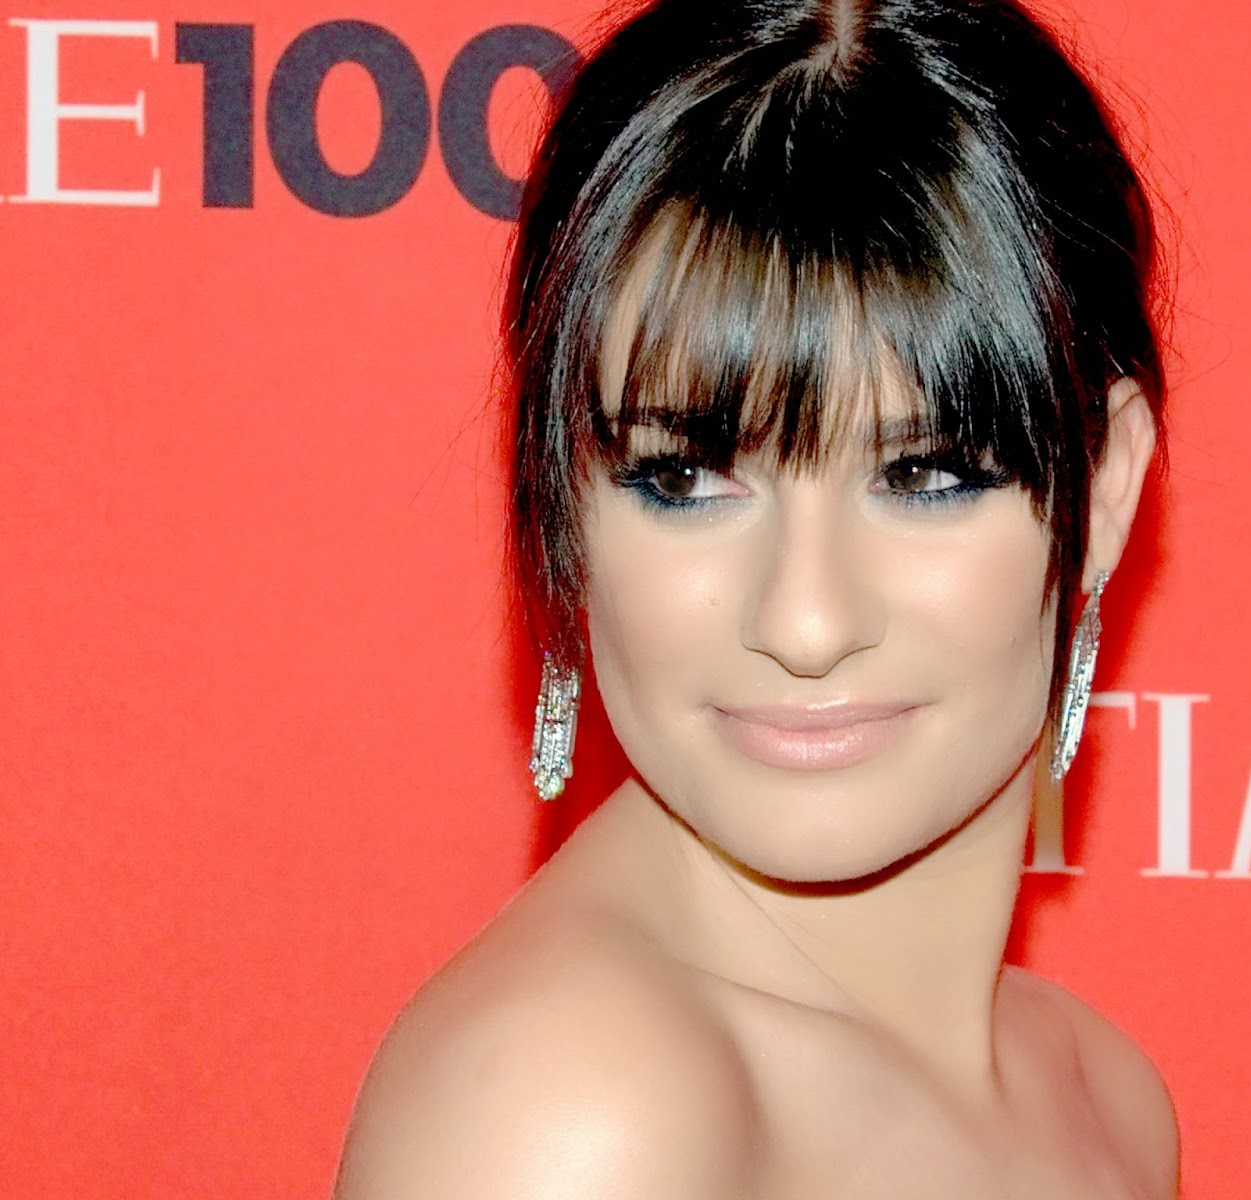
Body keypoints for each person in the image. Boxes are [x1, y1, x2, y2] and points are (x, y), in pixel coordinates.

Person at [336, 0, 1175, 1194]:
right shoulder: (573, 1114)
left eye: (925, 476)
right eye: (682, 478)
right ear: (564, 496)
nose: (804, 623)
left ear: (1108, 485)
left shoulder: (1105, 1102)